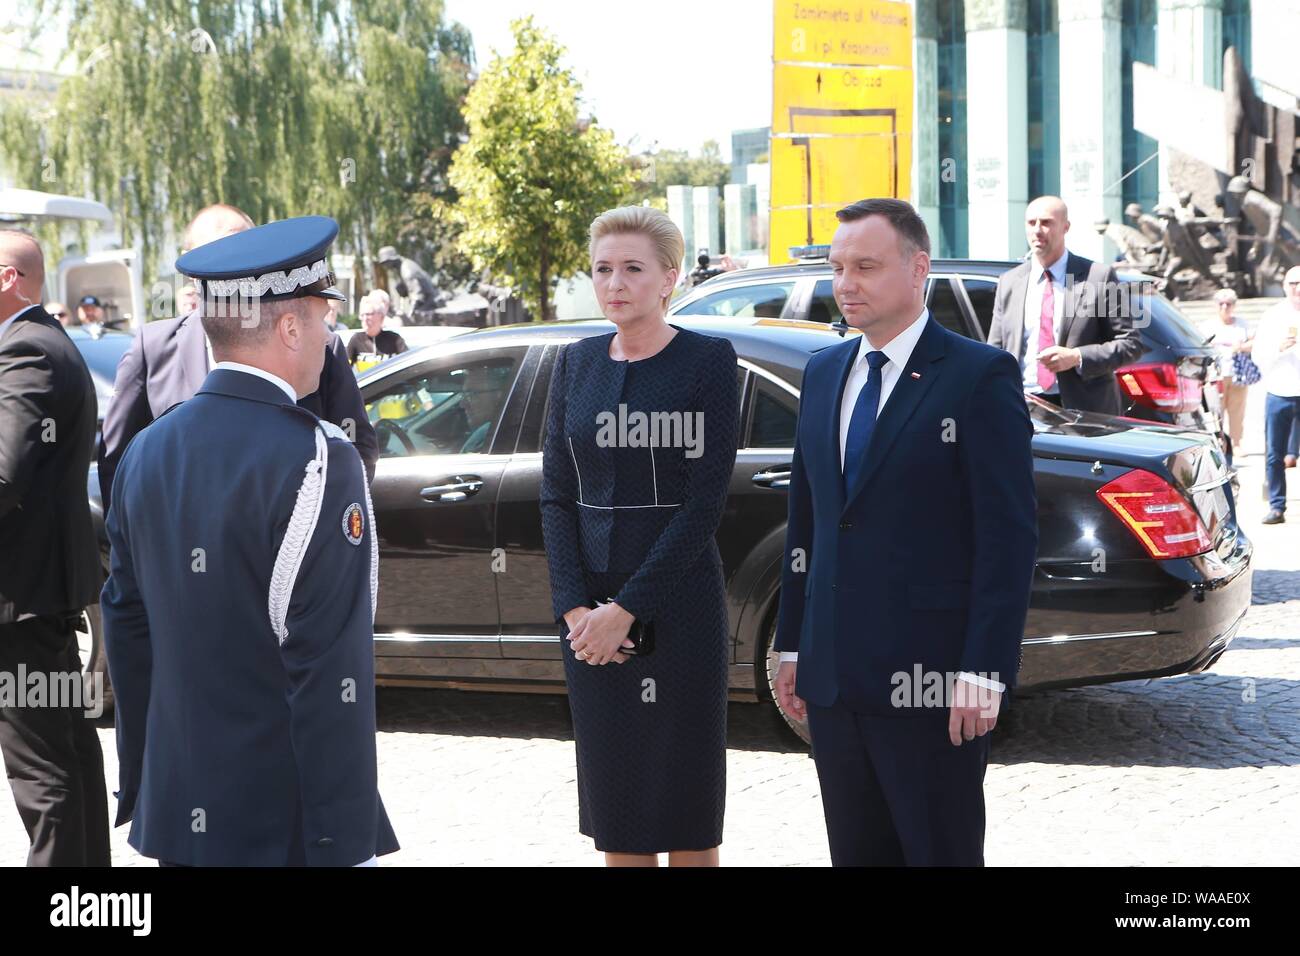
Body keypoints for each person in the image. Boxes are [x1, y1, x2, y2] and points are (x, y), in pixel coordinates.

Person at [101, 216, 399, 866]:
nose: (329, 335)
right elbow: (329, 667)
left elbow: (126, 631)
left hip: (181, 812)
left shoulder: (146, 452)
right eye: (322, 317)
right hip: (283, 820)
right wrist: (344, 840)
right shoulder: (320, 457)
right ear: (290, 327)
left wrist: (147, 784)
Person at [773, 199, 1037, 866]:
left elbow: (1007, 539)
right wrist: (790, 645)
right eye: (837, 268)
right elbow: (808, 520)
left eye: (865, 266)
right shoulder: (824, 372)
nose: (846, 283)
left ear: (918, 269)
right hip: (834, 681)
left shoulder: (978, 376)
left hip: (934, 682)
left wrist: (985, 668)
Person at [540, 205, 738, 867]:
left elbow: (703, 504)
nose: (614, 282)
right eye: (602, 269)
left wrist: (625, 611)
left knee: (685, 808)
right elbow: (556, 496)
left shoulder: (708, 360)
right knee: (618, 810)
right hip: (589, 623)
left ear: (669, 279)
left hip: (679, 613)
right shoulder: (574, 364)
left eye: (632, 268)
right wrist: (576, 611)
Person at [98, 203, 378, 502]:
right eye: (218, 255)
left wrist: (308, 514)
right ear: (194, 272)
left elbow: (356, 446)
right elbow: (117, 460)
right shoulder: (152, 347)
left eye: (247, 250)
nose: (236, 267)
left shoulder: (320, 343)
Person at [0, 229, 111, 866]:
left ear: (9, 278)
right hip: (42, 597)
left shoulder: (25, 350)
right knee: (68, 756)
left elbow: (4, 475)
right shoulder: (45, 341)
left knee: (43, 774)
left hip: (22, 602)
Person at [987, 195, 1142, 415]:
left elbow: (1130, 344)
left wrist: (1077, 357)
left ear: (1065, 227)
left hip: (1084, 412)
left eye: (1046, 222)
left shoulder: (1098, 276)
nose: (1037, 230)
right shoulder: (1010, 282)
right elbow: (994, 350)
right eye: (1031, 223)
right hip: (1021, 407)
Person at [1252, 265, 1300, 524]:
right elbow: (1257, 355)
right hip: (1280, 390)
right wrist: (1278, 348)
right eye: (1293, 283)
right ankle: (1277, 505)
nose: (1298, 288)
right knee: (1275, 453)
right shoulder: (1273, 316)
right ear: (1284, 286)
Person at [1205, 288, 1254, 457]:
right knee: (1217, 410)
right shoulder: (1208, 325)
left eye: (1229, 303)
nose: (1225, 307)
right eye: (1221, 303)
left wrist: (1240, 347)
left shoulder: (1243, 324)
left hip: (1238, 372)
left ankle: (1237, 443)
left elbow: (1253, 342)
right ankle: (1220, 442)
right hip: (1216, 374)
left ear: (1234, 305)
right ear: (1216, 305)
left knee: (1237, 410)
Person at [346, 291, 408, 368]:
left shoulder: (394, 339)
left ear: (381, 317)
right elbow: (345, 368)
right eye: (362, 315)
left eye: (369, 314)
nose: (365, 319)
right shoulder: (357, 339)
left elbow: (407, 364)